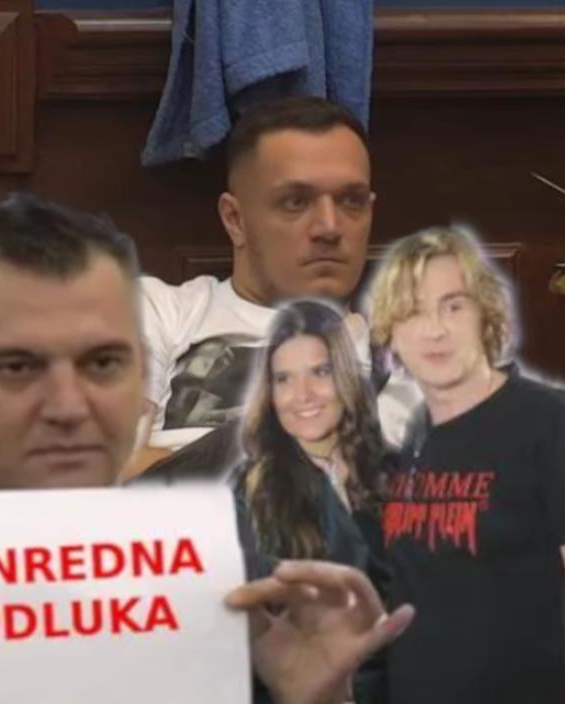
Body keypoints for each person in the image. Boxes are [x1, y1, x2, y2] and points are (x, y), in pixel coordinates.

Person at [0, 194, 412, 704]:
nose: (68, 405)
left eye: (103, 363)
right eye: (17, 367)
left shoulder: (266, 594)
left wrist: (319, 700)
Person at [365, 226, 565, 704]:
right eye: (413, 312)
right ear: (392, 334)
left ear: (485, 313)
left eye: (453, 306)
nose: (434, 330)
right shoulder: (412, 442)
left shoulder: (553, 421)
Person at [132, 96, 417, 482]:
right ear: (235, 220)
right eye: (296, 202)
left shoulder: (410, 357)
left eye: (351, 201)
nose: (330, 227)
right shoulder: (158, 310)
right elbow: (101, 471)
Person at [234, 298, 393, 704]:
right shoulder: (249, 491)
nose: (302, 395)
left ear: (345, 376)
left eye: (320, 372)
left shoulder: (396, 471)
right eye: (284, 379)